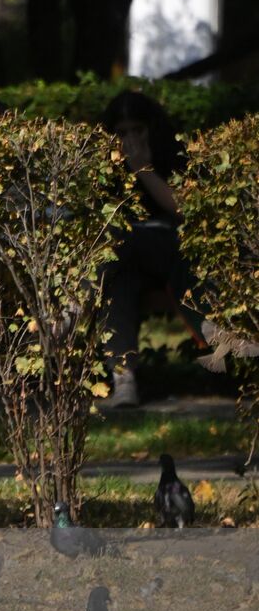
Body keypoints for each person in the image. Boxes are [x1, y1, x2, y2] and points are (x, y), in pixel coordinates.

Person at [99, 91, 204, 408]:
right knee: (117, 284)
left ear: (151, 128)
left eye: (137, 130)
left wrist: (143, 169)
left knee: (118, 250)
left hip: (170, 248)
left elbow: (182, 210)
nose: (129, 139)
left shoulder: (173, 155)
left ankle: (76, 303)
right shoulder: (105, 165)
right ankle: (123, 378)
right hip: (126, 258)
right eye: (122, 133)